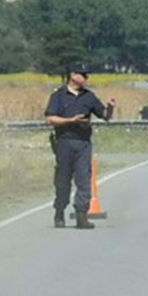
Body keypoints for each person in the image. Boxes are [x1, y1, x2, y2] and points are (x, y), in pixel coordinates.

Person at [44, 64, 115, 229]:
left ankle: (81, 215)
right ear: (73, 75)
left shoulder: (88, 97)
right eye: (82, 74)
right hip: (64, 142)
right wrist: (70, 121)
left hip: (83, 143)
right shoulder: (58, 96)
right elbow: (49, 119)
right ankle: (59, 211)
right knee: (63, 181)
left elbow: (104, 116)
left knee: (84, 179)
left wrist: (110, 108)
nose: (85, 78)